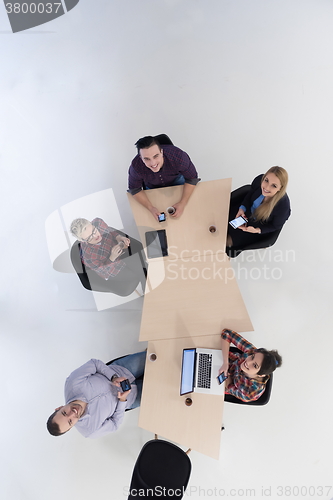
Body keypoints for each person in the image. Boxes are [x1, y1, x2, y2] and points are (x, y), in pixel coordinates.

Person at [46, 352, 146, 437]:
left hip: (123, 370)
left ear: (59, 408)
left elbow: (94, 363)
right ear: (71, 427)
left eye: (64, 413)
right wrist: (122, 401)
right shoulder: (90, 431)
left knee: (158, 355)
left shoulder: (72, 383)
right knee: (160, 391)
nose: (72, 413)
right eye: (70, 421)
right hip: (133, 397)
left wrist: (113, 377)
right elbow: (115, 424)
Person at [128, 135, 200, 220]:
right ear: (141, 158)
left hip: (176, 181)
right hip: (152, 186)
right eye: (147, 159)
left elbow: (192, 179)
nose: (153, 163)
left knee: (190, 213)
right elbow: (135, 189)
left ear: (161, 152)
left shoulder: (178, 156)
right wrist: (151, 208)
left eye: (156, 156)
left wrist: (183, 203)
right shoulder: (136, 166)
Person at [70, 217, 147, 296]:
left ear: (92, 224)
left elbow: (110, 231)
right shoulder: (89, 257)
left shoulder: (98, 223)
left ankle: (148, 291)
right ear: (83, 241)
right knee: (138, 274)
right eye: (89, 237)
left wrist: (119, 237)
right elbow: (105, 272)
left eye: (94, 230)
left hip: (120, 252)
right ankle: (148, 293)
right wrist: (112, 257)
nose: (96, 236)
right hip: (112, 268)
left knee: (144, 269)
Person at [227, 166, 290, 250]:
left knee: (225, 242)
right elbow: (249, 196)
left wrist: (257, 230)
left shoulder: (283, 206)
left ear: (280, 188)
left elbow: (275, 226)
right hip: (246, 213)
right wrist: (242, 208)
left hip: (257, 226)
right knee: (217, 225)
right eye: (266, 180)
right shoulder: (259, 181)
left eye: (274, 186)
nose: (267, 187)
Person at [218, 328, 282, 402]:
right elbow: (227, 333)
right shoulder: (253, 352)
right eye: (252, 357)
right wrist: (225, 362)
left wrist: (226, 377)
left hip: (222, 382)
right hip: (223, 360)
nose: (248, 362)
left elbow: (228, 386)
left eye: (255, 366)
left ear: (261, 375)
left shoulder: (252, 393)